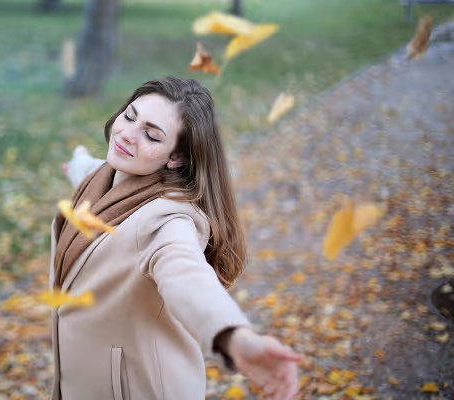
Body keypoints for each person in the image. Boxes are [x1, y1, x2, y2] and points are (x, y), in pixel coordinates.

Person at [50, 76, 303, 400]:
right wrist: (76, 162)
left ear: (176, 158)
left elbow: (186, 276)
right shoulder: (101, 177)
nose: (127, 134)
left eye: (151, 135)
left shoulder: (168, 219)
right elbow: (88, 170)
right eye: (129, 116)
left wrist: (234, 337)